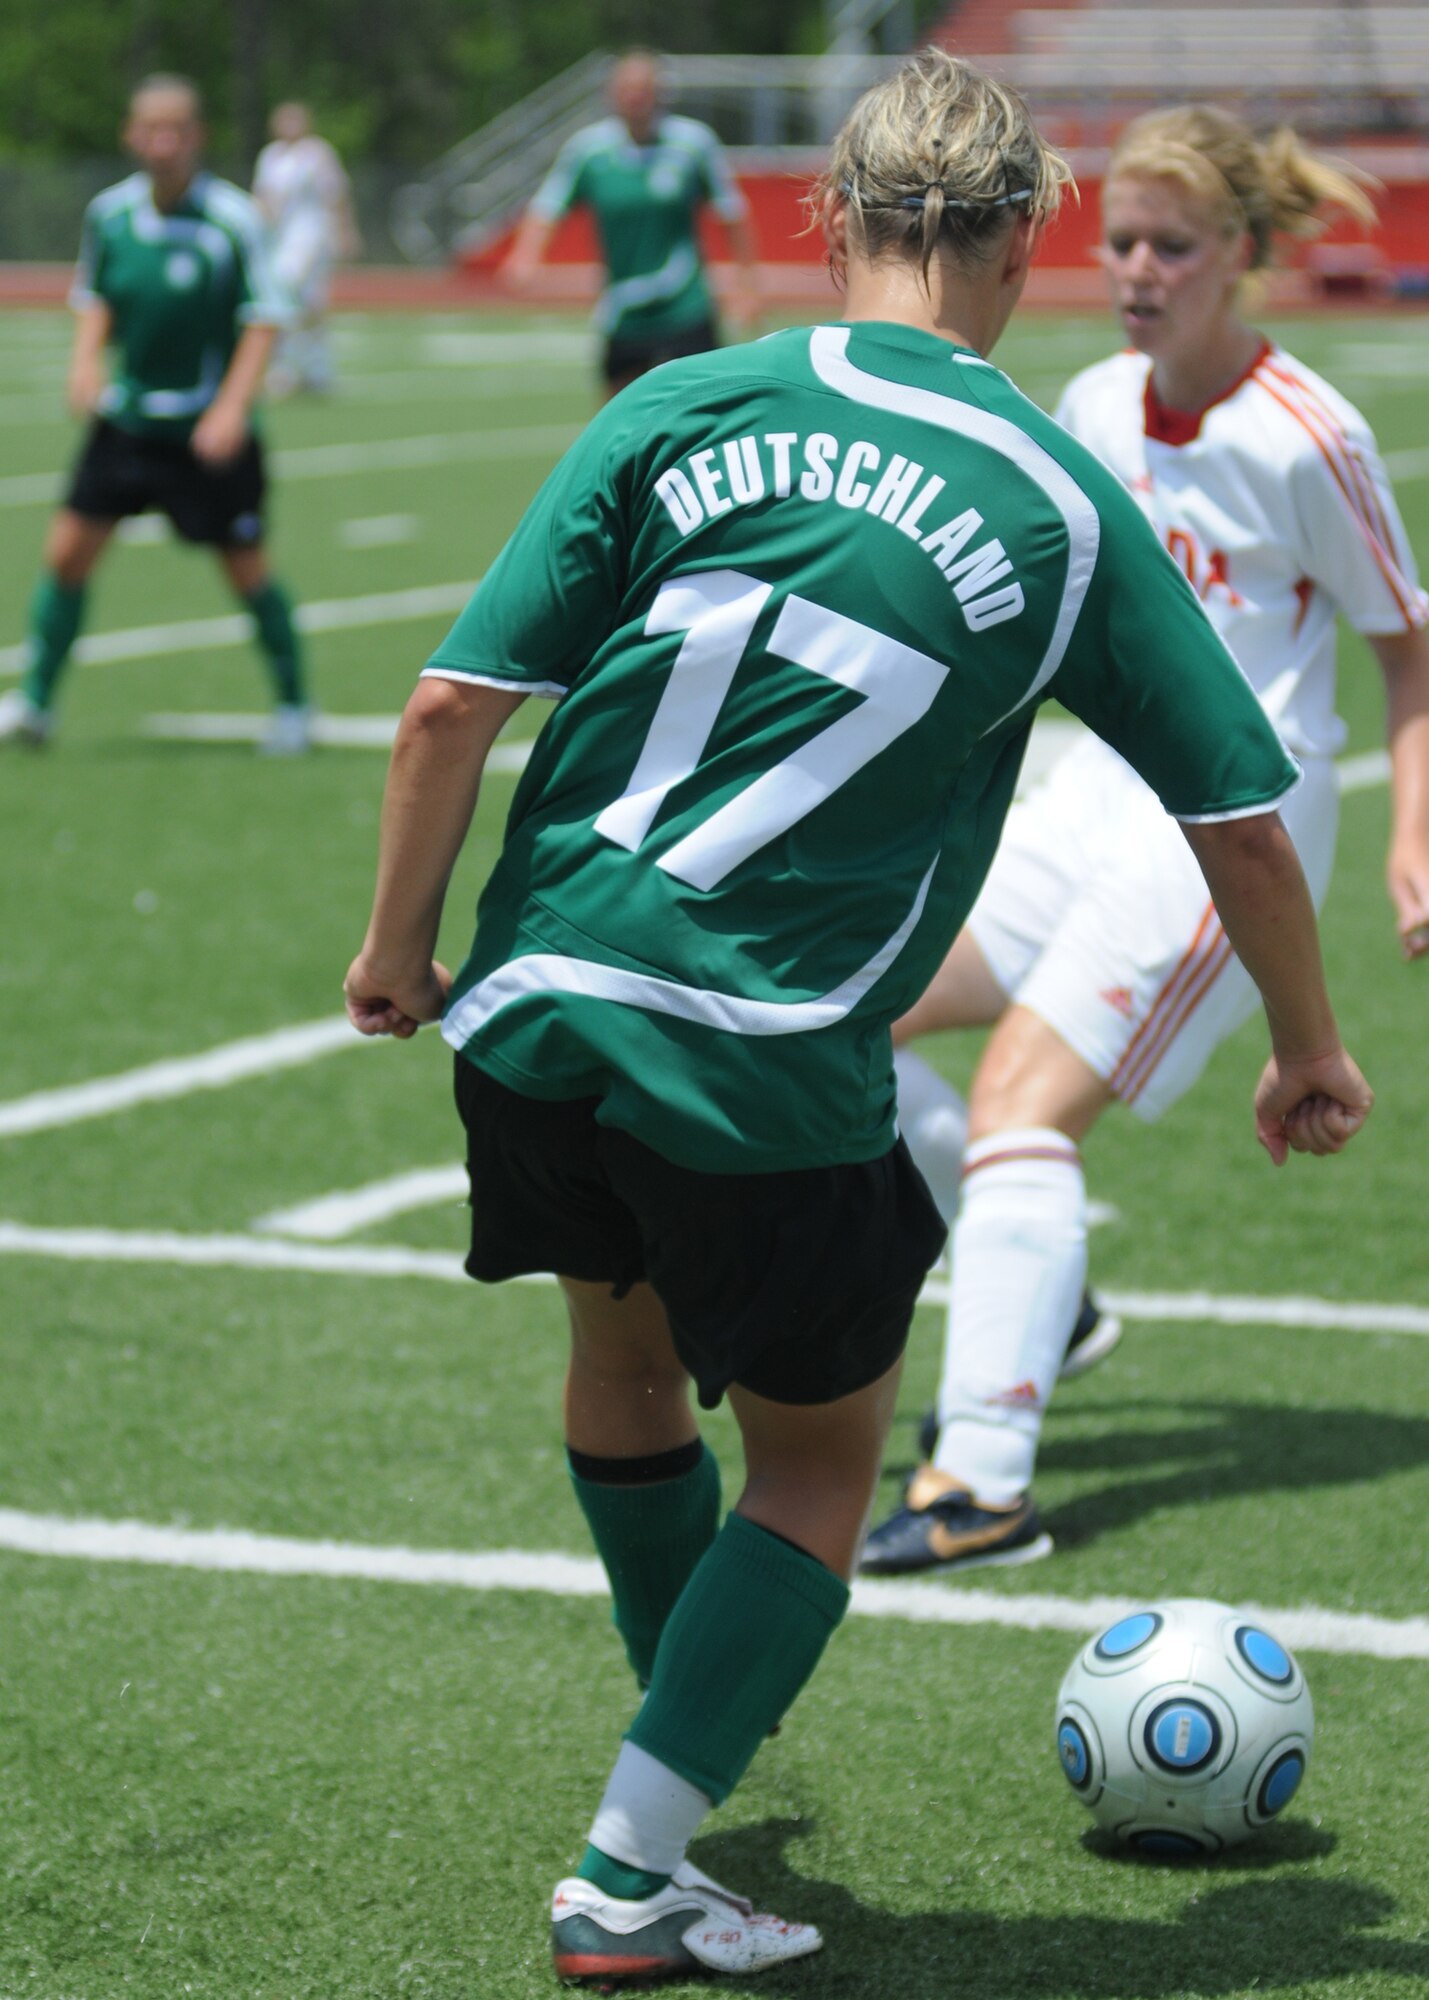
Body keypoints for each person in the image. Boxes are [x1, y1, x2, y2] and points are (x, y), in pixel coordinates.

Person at [344, 53, 1372, 1983]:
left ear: (827, 216)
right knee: (821, 1474)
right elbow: (1233, 811)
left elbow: (442, 714)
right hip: (755, 1043)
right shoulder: (1056, 492)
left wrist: (401, 951)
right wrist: (1308, 1044)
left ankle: (685, 1730)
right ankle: (629, 1872)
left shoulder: (677, 399)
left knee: (628, 1369)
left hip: (541, 996)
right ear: (1020, 236)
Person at [863, 103, 1429, 1580]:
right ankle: (1049, 1291)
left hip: (1224, 836)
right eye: (1117, 239)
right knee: (846, 1008)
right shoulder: (1098, 403)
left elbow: (1407, 651)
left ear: (1237, 254)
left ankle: (980, 1485)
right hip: (1089, 799)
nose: (1135, 269)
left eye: (1171, 246)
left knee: (1018, 1105)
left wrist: (1406, 836)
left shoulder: (1308, 435)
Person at [0, 75, 311, 756]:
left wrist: (232, 407)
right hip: (128, 424)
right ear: (130, 135)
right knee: (67, 556)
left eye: (177, 130)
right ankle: (35, 706)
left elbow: (265, 317)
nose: (163, 143)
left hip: (207, 435)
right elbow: (95, 294)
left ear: (196, 137)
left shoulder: (232, 218)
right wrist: (84, 364)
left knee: (246, 569)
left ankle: (293, 707)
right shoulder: (109, 214)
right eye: (151, 129)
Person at [501, 48, 760, 399]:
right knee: (618, 421)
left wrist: (747, 285)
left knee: (701, 414)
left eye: (644, 87)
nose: (635, 96)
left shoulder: (692, 143)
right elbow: (547, 207)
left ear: (660, 92)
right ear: (612, 93)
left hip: (686, 305)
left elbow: (732, 213)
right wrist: (526, 255)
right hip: (624, 309)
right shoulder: (589, 151)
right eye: (627, 88)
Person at [253, 101, 361, 397]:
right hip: (281, 237)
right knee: (307, 302)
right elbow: (263, 197)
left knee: (290, 290)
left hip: (312, 235)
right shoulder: (271, 156)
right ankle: (308, 367)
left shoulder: (317, 153)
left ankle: (294, 367)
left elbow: (335, 194)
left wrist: (345, 230)